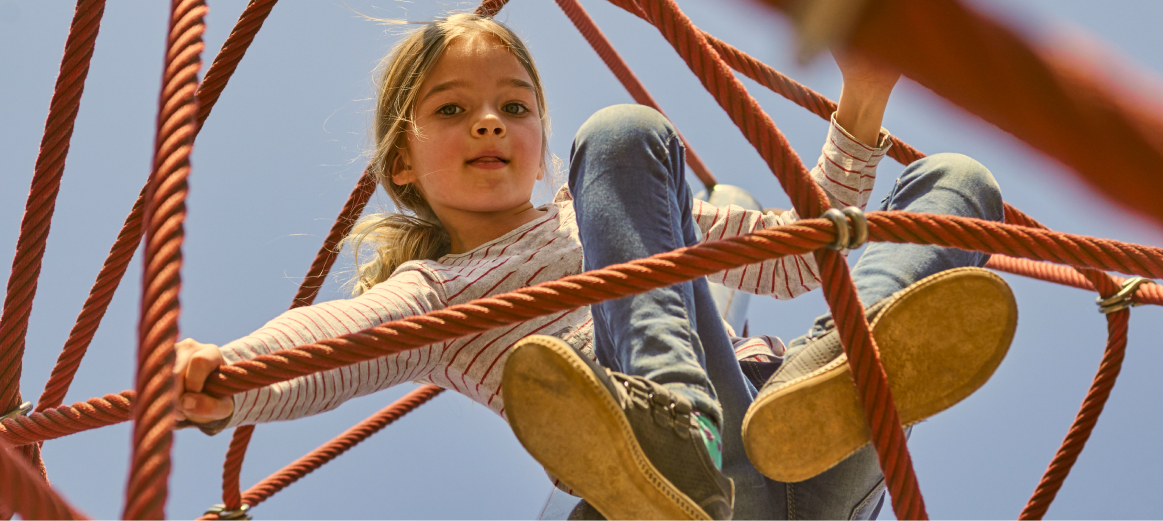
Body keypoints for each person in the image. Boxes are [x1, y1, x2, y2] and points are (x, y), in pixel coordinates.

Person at [172, 13, 1016, 520]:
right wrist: (231, 374)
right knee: (619, 133)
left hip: (804, 453)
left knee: (961, 183)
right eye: (453, 110)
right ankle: (674, 424)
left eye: (514, 107)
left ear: (541, 149)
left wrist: (860, 104)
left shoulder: (623, 213)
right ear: (401, 163)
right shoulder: (434, 292)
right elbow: (337, 338)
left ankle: (838, 376)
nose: (490, 124)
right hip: (658, 491)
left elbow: (804, 250)